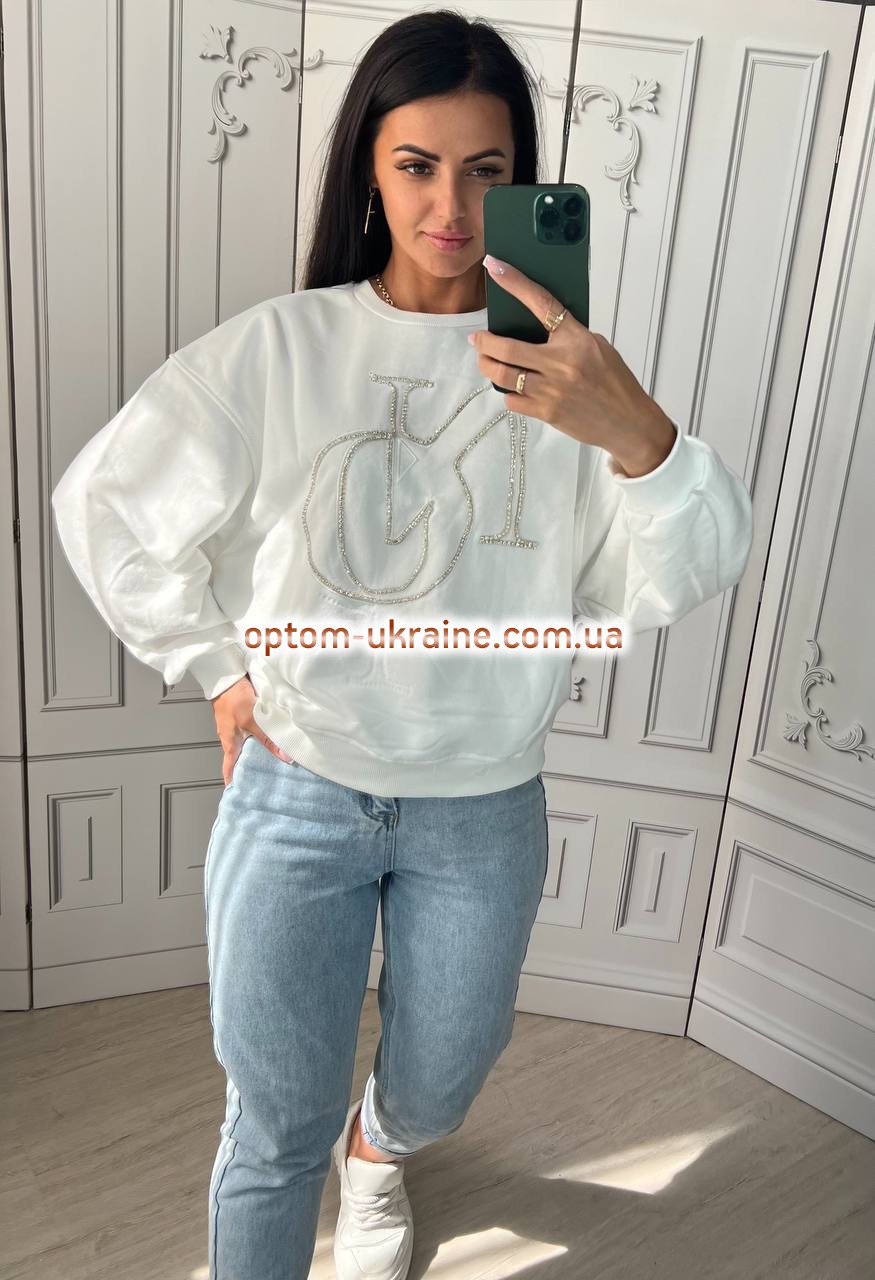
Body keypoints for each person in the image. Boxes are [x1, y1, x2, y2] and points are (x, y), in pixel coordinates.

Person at [50, 10, 754, 1280]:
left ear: (523, 181)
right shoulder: (283, 347)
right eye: (416, 165)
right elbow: (105, 502)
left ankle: (378, 1152)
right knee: (271, 1121)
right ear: (369, 175)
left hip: (481, 803)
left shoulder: (569, 376)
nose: (451, 206)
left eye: (486, 170)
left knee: (441, 1076)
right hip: (298, 788)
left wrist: (636, 432)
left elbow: (677, 571)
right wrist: (215, 666)